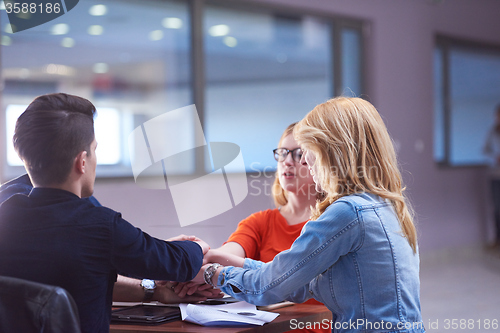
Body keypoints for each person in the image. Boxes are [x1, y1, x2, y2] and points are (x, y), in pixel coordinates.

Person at [193, 97, 425, 332]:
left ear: (333, 150)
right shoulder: (385, 206)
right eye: (285, 153)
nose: (303, 160)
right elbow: (299, 282)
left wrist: (212, 274)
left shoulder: (348, 213)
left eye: (306, 150)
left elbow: (268, 287)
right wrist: (223, 261)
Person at [0, 93, 209, 333]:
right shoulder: (100, 226)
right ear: (82, 162)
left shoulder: (6, 216)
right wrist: (197, 247)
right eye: (94, 150)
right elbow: (179, 263)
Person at [0, 174, 220, 305]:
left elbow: (95, 263)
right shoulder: (94, 221)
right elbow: (174, 261)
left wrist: (155, 287)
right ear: (82, 160)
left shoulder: (8, 208)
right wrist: (198, 247)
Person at [209, 123, 329, 333]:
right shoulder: (261, 222)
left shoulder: (334, 222)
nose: (287, 162)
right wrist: (201, 259)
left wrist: (209, 268)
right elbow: (225, 254)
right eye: (282, 153)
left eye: (298, 153)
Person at [483, 104, 500, 247]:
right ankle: (497, 239)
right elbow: (485, 151)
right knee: (497, 208)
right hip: (495, 175)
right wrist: (495, 157)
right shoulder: (492, 132)